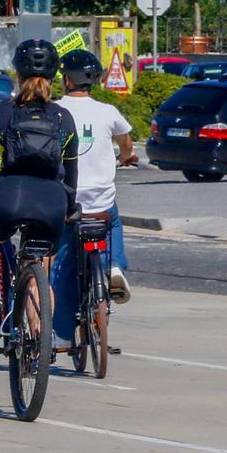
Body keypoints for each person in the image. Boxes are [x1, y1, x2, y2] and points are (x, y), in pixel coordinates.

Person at [0, 39, 80, 336]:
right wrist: (70, 208)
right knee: (39, 273)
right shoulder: (65, 118)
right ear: (55, 76)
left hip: (8, 195)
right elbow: (72, 173)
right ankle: (39, 343)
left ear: (17, 75)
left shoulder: (0, 113)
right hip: (52, 200)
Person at [51, 50, 137, 353]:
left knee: (62, 266)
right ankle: (113, 267)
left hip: (67, 203)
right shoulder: (107, 111)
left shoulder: (54, 110)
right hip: (100, 203)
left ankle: (61, 335)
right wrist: (126, 156)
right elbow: (126, 142)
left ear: (65, 79)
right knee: (112, 223)